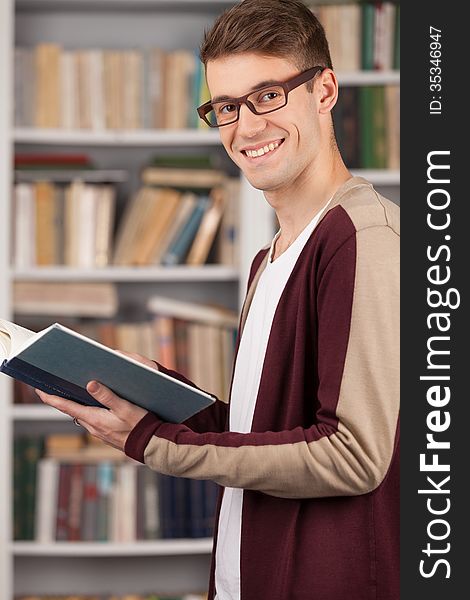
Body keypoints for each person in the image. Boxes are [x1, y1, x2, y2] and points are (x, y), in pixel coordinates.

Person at [37, 1, 400, 598]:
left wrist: (161, 444)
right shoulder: (269, 259)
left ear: (326, 89)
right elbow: (268, 432)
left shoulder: (361, 238)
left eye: (268, 95)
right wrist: (155, 397)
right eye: (226, 106)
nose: (246, 127)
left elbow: (352, 456)